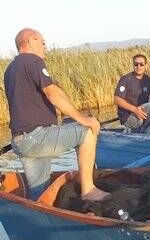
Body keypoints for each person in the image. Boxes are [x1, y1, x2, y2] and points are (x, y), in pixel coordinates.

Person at [3, 28, 110, 201]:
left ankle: (39, 217)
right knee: (87, 131)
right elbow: (52, 92)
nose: (46, 47)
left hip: (21, 141)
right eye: (43, 42)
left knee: (40, 194)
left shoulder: (10, 69)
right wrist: (83, 119)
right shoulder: (32, 60)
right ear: (31, 41)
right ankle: (88, 190)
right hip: (36, 137)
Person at [114, 54, 150, 134]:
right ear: (133, 65)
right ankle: (146, 133)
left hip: (143, 114)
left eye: (141, 64)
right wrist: (135, 109)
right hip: (129, 117)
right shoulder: (126, 79)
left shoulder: (147, 79)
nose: (138, 66)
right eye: (136, 64)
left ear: (145, 66)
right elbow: (117, 99)